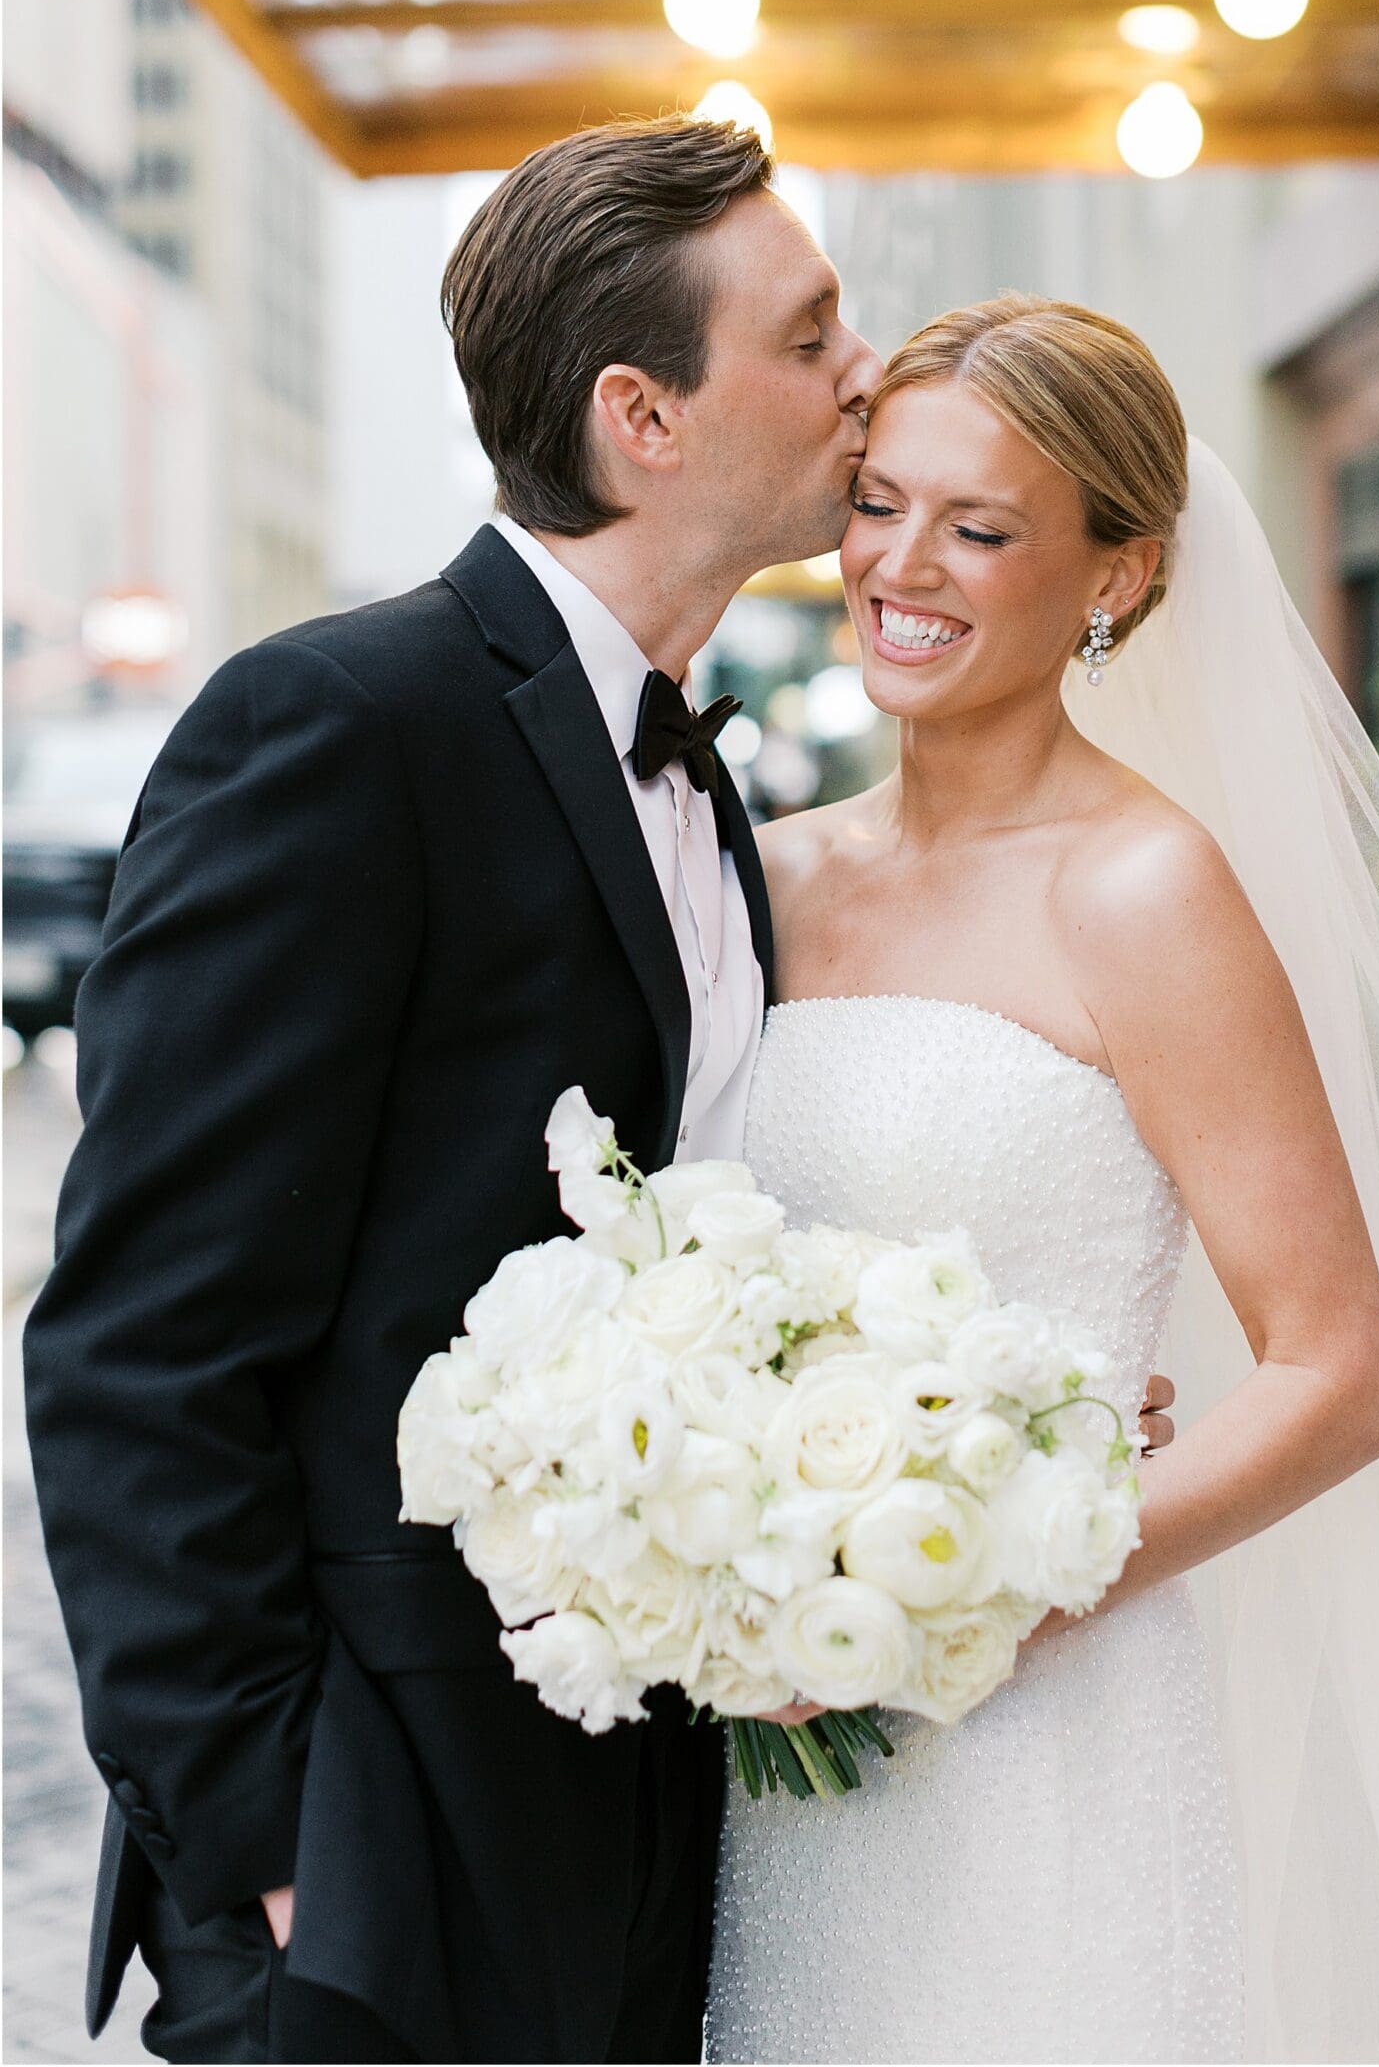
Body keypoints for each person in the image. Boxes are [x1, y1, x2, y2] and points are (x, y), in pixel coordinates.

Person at [707, 294, 1379, 2066]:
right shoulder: (755, 877)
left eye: (983, 526)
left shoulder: (1147, 890)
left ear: (1118, 572)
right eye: (880, 501)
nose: (900, 563)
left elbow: (1340, 1370)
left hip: (1044, 1729)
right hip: (770, 1749)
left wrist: (986, 1593)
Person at [23, 117, 902, 2064]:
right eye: (810, 331)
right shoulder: (335, 726)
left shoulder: (707, 780)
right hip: (376, 1856)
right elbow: (138, 1347)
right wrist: (268, 1844)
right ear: (640, 417)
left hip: (643, 1812)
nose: (865, 371)